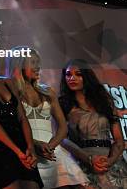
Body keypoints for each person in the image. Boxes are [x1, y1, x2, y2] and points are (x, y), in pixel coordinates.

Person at [5, 47, 90, 188]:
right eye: (32, 62)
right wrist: (35, 144)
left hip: (52, 152)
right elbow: (12, 127)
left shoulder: (47, 92)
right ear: (19, 64)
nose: (37, 67)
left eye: (38, 62)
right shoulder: (10, 91)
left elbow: (63, 127)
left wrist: (50, 147)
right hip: (28, 151)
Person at [0, 37, 43, 189]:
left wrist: (30, 146)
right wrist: (16, 151)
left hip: (22, 144)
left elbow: (22, 117)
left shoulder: (7, 81)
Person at [59, 59, 127, 189]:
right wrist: (89, 159)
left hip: (111, 161)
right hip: (81, 161)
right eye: (68, 74)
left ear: (87, 76)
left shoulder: (105, 101)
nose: (72, 78)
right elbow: (62, 139)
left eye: (78, 74)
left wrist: (110, 161)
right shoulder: (63, 104)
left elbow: (119, 140)